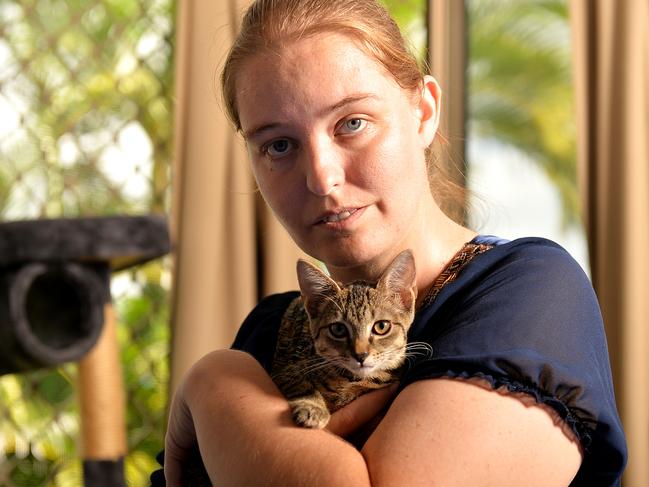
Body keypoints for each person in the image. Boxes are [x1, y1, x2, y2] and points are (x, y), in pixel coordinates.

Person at [154, 0, 627, 484]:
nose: (322, 178)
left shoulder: (531, 294)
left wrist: (212, 382)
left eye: (352, 123)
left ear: (423, 113)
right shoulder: (270, 330)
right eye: (278, 144)